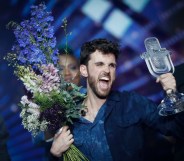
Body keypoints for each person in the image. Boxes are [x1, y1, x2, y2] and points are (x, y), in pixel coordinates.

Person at [50, 38, 184, 161]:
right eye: (99, 64)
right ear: (84, 71)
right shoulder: (67, 117)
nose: (107, 70)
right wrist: (55, 154)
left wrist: (172, 93)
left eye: (111, 65)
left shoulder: (132, 103)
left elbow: (178, 130)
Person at [32, 48, 81, 161]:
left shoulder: (93, 99)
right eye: (60, 69)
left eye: (72, 67)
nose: (67, 73)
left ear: (82, 71)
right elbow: (37, 140)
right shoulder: (45, 104)